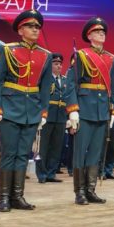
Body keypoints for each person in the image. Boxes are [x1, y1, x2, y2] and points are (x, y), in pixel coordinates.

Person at [0, 9, 53, 212]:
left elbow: (45, 88)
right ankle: (4, 198)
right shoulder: (7, 50)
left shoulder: (46, 55)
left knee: (23, 154)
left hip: (31, 111)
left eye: (37, 27)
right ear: (20, 30)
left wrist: (44, 112)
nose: (35, 30)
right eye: (30, 26)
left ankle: (17, 196)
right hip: (9, 109)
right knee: (9, 153)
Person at [65, 17, 114, 205]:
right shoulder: (80, 55)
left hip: (102, 110)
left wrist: (113, 109)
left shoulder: (111, 58)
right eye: (97, 31)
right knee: (80, 152)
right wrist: (73, 110)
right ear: (89, 36)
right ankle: (79, 191)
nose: (101, 34)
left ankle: (90, 189)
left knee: (95, 153)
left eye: (103, 32)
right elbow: (71, 84)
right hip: (85, 108)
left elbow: (113, 87)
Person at [36, 53, 67, 184]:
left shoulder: (65, 80)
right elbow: (38, 97)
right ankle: (42, 174)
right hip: (46, 116)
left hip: (61, 117)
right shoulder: (45, 79)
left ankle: (51, 173)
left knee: (56, 147)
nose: (59, 66)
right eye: (56, 64)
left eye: (60, 64)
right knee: (43, 147)